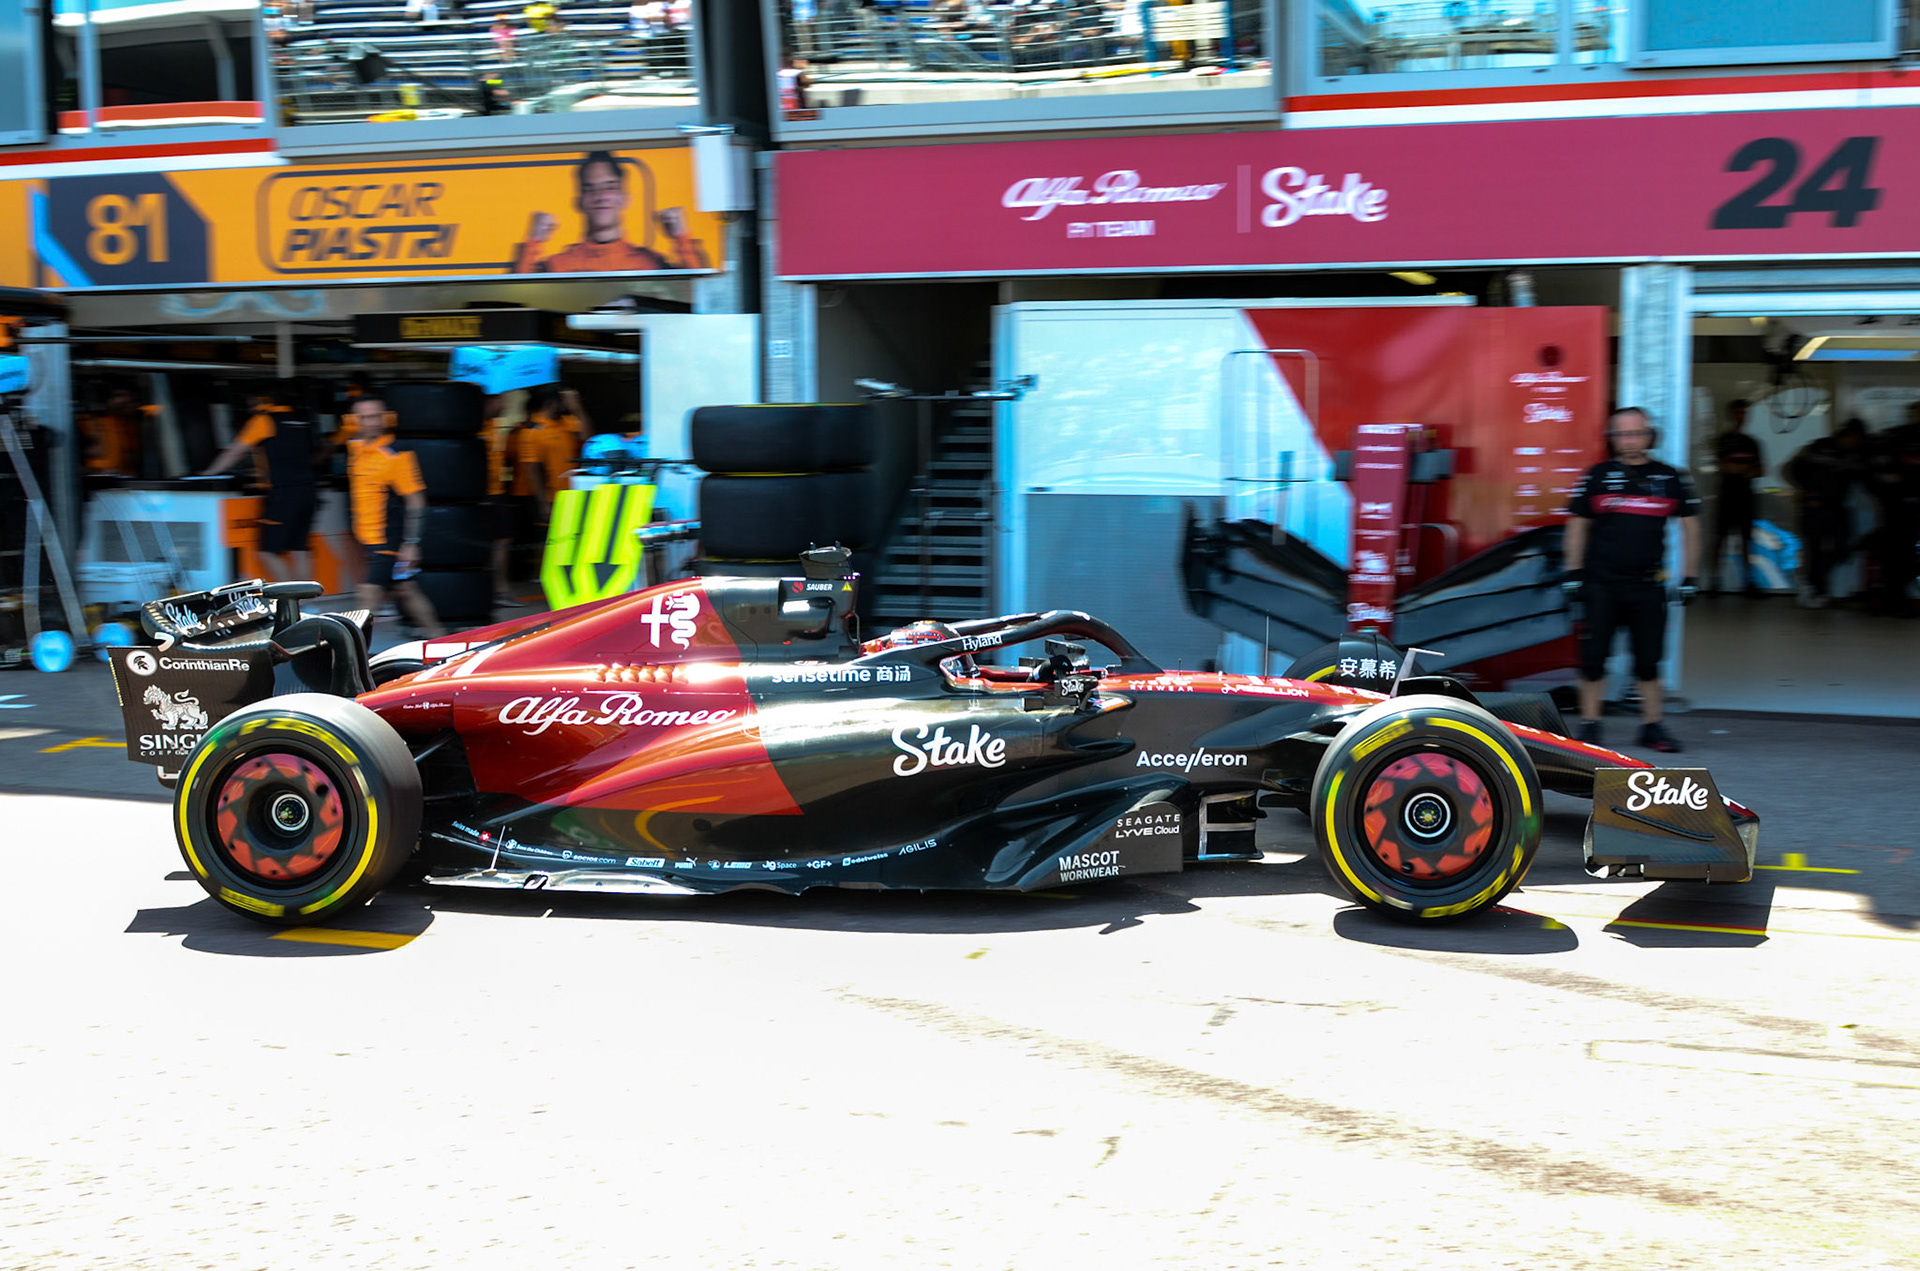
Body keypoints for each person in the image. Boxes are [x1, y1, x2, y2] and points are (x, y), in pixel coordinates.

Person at [1561, 406, 1701, 753]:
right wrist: (1574, 573)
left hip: (1648, 586)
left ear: (1650, 436)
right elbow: (1577, 525)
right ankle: (1590, 726)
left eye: (1637, 433)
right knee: (1593, 659)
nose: (1630, 440)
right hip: (1601, 585)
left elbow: (1690, 527)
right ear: (1613, 438)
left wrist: (1690, 576)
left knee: (1649, 661)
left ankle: (1652, 727)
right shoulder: (1596, 475)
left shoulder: (1671, 478)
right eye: (1623, 434)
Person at [510, 150, 711, 274]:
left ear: (625, 199)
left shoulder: (649, 263)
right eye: (590, 188)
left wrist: (681, 237)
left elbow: (701, 296)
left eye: (610, 187)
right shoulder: (559, 265)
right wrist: (533, 241)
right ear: (579, 202)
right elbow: (517, 300)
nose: (601, 196)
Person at [347, 395, 444, 636]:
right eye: (364, 417)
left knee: (366, 600)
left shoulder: (397, 455)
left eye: (375, 416)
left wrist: (411, 543)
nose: (370, 422)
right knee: (406, 590)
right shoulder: (356, 450)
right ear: (355, 420)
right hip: (369, 540)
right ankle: (443, 640)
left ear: (385, 418)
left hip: (387, 541)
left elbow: (416, 501)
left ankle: (349, 659)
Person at [202, 389, 319, 585]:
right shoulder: (301, 420)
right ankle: (310, 604)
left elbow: (235, 453)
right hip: (309, 491)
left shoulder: (264, 421)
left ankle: (295, 603)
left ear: (263, 400)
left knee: (267, 552)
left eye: (252, 402)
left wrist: (208, 473)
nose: (251, 407)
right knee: (300, 549)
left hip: (283, 493)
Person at [1785, 419, 1868, 609]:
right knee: (1814, 550)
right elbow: (1793, 469)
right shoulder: (1819, 447)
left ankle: (1813, 583)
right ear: (1847, 436)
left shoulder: (1853, 455)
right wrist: (1808, 491)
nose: (1856, 443)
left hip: (1837, 507)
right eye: (1855, 439)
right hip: (1814, 507)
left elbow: (1862, 475)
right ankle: (1816, 589)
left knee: (1842, 547)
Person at [1865, 404, 1920, 618]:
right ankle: (1893, 599)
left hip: (1911, 508)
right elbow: (1877, 472)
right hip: (1896, 508)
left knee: (1908, 556)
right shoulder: (1895, 437)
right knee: (1895, 554)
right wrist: (1885, 489)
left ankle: (1902, 598)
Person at [1708, 398, 1762, 594]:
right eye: (1738, 413)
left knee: (1746, 539)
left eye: (1744, 413)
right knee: (1721, 538)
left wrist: (1738, 468)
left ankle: (1749, 582)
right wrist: (1745, 468)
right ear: (1732, 415)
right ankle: (1714, 581)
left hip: (1746, 495)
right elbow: (1725, 466)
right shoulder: (1725, 440)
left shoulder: (1752, 443)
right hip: (1728, 494)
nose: (1742, 417)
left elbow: (1760, 471)